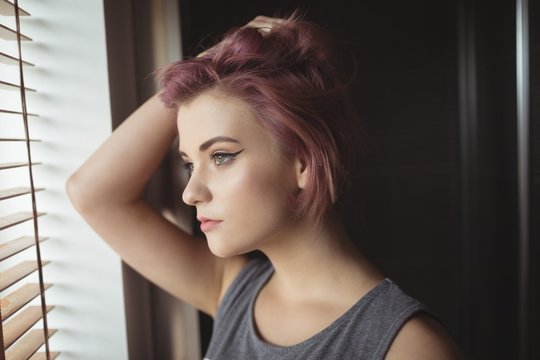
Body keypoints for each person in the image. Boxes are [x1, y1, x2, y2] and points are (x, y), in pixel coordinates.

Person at [67, 14, 463, 360]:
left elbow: (93, 195)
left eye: (221, 156)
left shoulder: (406, 347)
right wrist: (210, 63)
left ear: (303, 163)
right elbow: (90, 192)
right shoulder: (235, 292)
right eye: (190, 163)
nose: (190, 193)